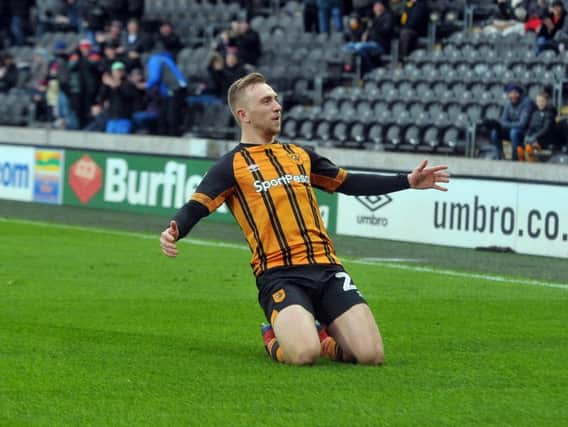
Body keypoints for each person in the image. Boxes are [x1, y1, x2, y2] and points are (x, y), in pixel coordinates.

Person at [159, 72, 450, 366]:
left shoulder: (298, 154)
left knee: (370, 356)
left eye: (276, 99)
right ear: (244, 115)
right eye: (267, 100)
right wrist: (176, 229)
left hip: (327, 268)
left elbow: (348, 182)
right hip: (279, 274)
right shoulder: (231, 166)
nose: (277, 106)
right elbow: (197, 205)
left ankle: (324, 339)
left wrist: (407, 181)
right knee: (302, 355)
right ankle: (272, 337)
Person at [343, 1, 394, 72]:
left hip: (380, 44)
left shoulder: (388, 16)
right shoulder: (373, 18)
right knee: (347, 47)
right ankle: (350, 66)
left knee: (359, 47)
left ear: (382, 6)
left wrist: (370, 31)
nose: (375, 8)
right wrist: (366, 32)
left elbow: (385, 31)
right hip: (368, 43)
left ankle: (369, 68)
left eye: (377, 6)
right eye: (375, 6)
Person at [490, 83, 534, 160]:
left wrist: (505, 124)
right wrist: (502, 124)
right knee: (494, 132)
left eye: (515, 93)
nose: (512, 96)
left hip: (526, 130)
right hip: (512, 129)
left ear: (519, 94)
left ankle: (515, 157)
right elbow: (503, 120)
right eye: (510, 93)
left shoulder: (527, 103)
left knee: (514, 132)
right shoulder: (508, 104)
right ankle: (500, 156)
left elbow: (522, 124)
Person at [96, 61, 138, 133]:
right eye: (116, 71)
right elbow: (101, 97)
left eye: (120, 70)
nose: (119, 73)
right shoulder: (109, 85)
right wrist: (105, 85)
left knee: (122, 141)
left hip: (124, 118)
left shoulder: (128, 84)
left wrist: (116, 87)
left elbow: (129, 96)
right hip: (112, 119)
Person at [521, 90, 558, 161]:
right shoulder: (535, 113)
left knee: (530, 147)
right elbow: (531, 127)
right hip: (535, 137)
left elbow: (546, 129)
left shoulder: (550, 113)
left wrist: (535, 137)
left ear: (547, 102)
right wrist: (527, 135)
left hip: (546, 138)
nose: (540, 103)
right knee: (520, 147)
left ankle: (533, 162)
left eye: (542, 101)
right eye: (538, 101)